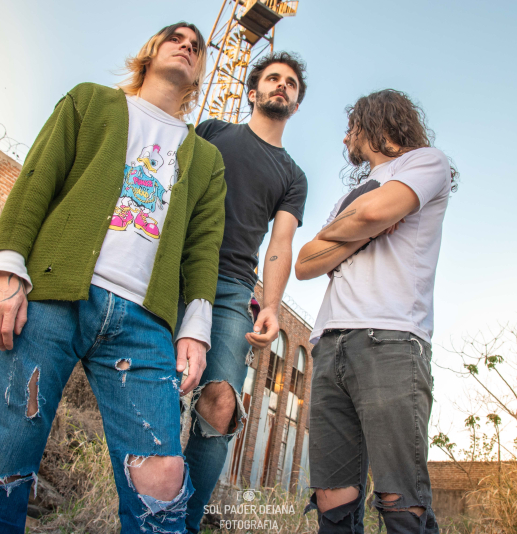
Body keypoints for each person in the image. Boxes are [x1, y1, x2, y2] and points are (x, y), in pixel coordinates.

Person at [0, 22, 227, 534]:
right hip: (52, 298)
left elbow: (203, 248)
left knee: (163, 478)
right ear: (150, 52)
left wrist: (195, 330)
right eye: (176, 38)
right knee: (5, 458)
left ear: (199, 75)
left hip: (145, 324)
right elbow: (38, 178)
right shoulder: (90, 102)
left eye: (197, 46)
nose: (188, 45)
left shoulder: (208, 160)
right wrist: (6, 269)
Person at [295, 89, 457, 533]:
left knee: (399, 498)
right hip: (329, 344)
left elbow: (374, 214)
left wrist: (361, 225)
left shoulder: (426, 162)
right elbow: (305, 263)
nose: (345, 136)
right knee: (332, 498)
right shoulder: (350, 197)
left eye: (351, 126)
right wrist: (368, 227)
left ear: (374, 121)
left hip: (390, 338)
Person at [182, 51, 308, 533]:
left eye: (291, 83)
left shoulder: (293, 176)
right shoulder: (212, 131)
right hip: (175, 270)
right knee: (156, 389)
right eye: (273, 78)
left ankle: (183, 523)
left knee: (221, 403)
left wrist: (271, 305)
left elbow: (280, 243)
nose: (282, 85)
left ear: (295, 104)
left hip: (233, 286)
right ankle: (143, 513)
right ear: (253, 92)